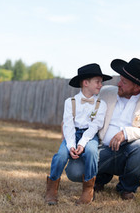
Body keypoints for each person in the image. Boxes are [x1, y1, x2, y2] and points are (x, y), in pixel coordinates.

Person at [65, 58, 140, 200]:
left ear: (137, 87)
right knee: (74, 171)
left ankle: (127, 187)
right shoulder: (106, 92)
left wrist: (126, 133)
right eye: (121, 79)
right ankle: (100, 178)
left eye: (124, 82)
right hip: (102, 149)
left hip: (129, 151)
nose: (118, 84)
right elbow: (83, 108)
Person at [45, 63, 112, 205]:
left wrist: (82, 143)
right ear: (86, 83)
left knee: (92, 152)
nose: (101, 85)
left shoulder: (101, 104)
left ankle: (88, 189)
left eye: (101, 82)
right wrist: (71, 145)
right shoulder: (70, 102)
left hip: (90, 135)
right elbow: (68, 125)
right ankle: (52, 189)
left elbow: (95, 126)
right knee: (61, 155)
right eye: (97, 82)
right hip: (72, 134)